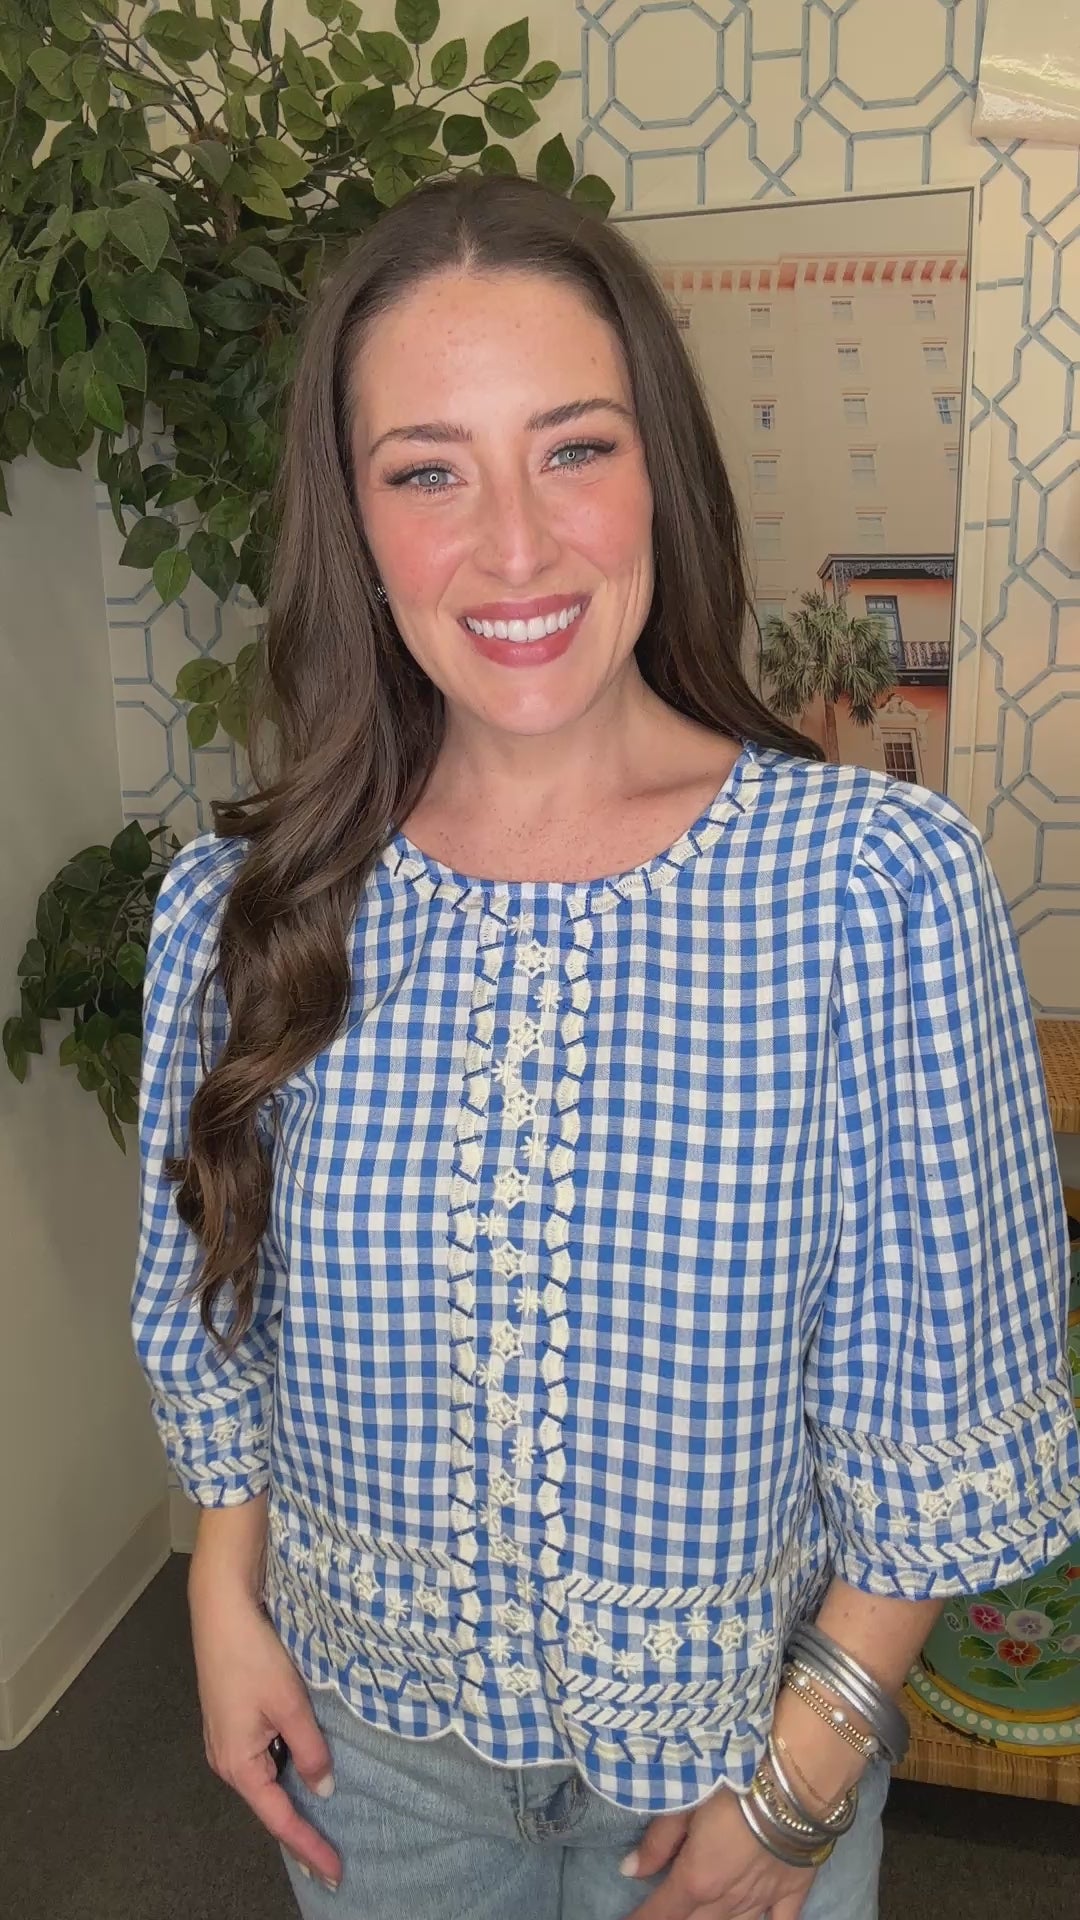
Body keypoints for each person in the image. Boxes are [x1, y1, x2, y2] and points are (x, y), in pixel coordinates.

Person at [131, 174, 1080, 1920]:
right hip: (368, 1759)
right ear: (355, 522)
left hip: (741, 1755)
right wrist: (218, 1593)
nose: (515, 546)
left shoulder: (871, 892)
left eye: (573, 448)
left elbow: (946, 1402)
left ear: (663, 475)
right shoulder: (240, 911)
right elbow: (219, 1314)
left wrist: (805, 1774)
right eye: (428, 471)